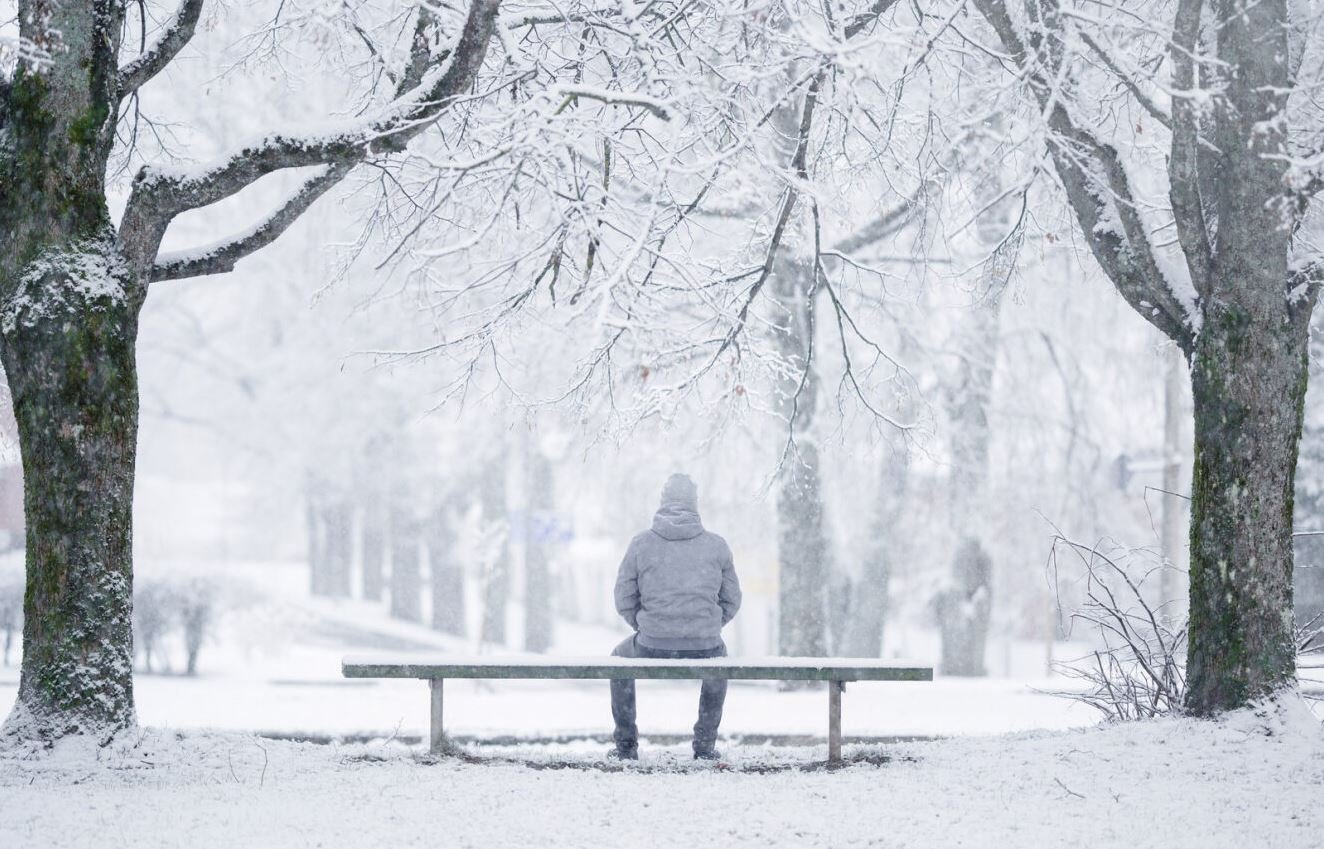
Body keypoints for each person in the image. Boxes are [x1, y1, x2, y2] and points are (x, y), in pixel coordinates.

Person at [609, 473, 742, 761]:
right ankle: (705, 746)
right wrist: (707, 626)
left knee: (618, 659)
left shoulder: (641, 544)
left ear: (663, 502)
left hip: (651, 643)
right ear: (695, 503)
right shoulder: (716, 545)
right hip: (705, 645)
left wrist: (646, 625)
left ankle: (626, 747)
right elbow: (733, 599)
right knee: (719, 660)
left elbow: (623, 597)